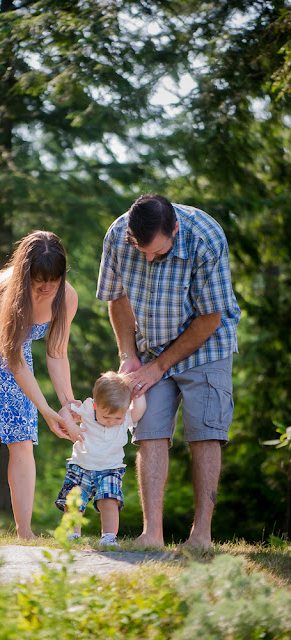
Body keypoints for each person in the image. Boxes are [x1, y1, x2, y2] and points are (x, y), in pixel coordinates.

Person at [96, 193, 241, 549]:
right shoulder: (118, 235)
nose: (148, 257)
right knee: (149, 431)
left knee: (205, 431)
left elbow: (211, 317)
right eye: (141, 250)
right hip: (150, 345)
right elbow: (117, 298)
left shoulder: (206, 237)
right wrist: (128, 354)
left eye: (157, 252)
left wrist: (160, 367)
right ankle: (152, 535)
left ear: (174, 230)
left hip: (206, 345)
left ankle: (201, 537)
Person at [0, 231, 83, 540]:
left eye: (54, 279)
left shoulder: (67, 297)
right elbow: (15, 358)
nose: (47, 286)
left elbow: (56, 352)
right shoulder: (4, 293)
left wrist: (68, 403)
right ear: (25, 273)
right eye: (39, 280)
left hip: (16, 361)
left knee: (21, 440)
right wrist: (45, 409)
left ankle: (25, 533)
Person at [55, 371, 146, 547]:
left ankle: (109, 537)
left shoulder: (125, 416)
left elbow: (139, 409)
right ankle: (73, 535)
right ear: (96, 406)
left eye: (117, 418)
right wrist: (71, 425)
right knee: (74, 501)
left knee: (110, 501)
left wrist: (136, 392)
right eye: (106, 417)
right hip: (81, 466)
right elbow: (64, 411)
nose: (111, 422)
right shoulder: (88, 408)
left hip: (111, 468)